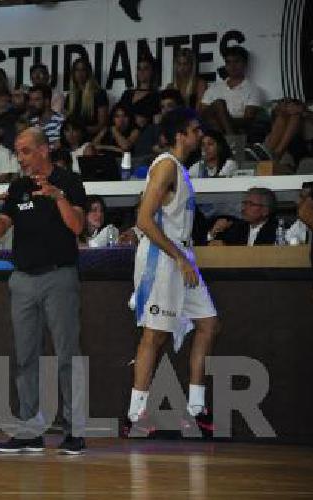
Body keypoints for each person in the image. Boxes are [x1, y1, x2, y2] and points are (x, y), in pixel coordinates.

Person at [0, 128, 88, 455]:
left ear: (44, 150)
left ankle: (75, 432)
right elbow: (0, 230)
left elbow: (78, 227)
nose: (21, 158)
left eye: (25, 151)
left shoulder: (69, 182)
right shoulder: (18, 187)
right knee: (26, 357)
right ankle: (29, 431)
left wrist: (58, 198)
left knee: (67, 354)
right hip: (23, 280)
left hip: (59, 277)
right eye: (18, 151)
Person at [125, 107, 221, 437]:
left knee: (208, 324)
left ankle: (196, 410)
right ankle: (135, 415)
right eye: (195, 131)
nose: (200, 136)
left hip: (181, 254)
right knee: (155, 335)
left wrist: (184, 256)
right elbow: (143, 220)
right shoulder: (165, 166)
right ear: (180, 135)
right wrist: (179, 257)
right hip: (163, 259)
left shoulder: (180, 168)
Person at [207, 187, 278, 246]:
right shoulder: (235, 227)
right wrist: (212, 234)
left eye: (251, 204)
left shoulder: (277, 230)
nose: (244, 208)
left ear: (265, 210)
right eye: (245, 203)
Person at [63, 57, 109, 140]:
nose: (80, 74)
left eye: (83, 70)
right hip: (73, 140)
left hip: (92, 138)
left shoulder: (99, 94)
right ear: (73, 73)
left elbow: (102, 125)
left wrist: (82, 131)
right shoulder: (70, 96)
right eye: (77, 70)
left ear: (88, 72)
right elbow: (66, 122)